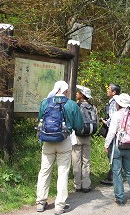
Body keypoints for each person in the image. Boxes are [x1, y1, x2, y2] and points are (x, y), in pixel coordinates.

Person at [36, 81, 84, 215]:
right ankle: (59, 205)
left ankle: (41, 202)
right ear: (66, 91)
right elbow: (79, 126)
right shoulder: (72, 104)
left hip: (47, 141)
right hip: (64, 140)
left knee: (44, 170)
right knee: (63, 173)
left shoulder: (45, 102)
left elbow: (40, 119)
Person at [104, 93, 130, 206]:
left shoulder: (117, 115)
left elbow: (112, 132)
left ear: (119, 104)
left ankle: (120, 198)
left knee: (117, 172)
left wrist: (106, 145)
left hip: (118, 146)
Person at [72, 85, 96, 193]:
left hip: (77, 137)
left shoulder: (76, 106)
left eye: (78, 93)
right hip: (88, 136)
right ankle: (86, 184)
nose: (76, 94)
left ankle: (77, 185)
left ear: (82, 95)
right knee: (86, 161)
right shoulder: (93, 107)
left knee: (76, 160)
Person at [99, 83, 121, 185]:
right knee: (117, 153)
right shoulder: (121, 101)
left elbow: (112, 120)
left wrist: (103, 121)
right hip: (121, 133)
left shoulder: (113, 103)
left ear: (114, 92)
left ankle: (113, 177)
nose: (107, 90)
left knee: (112, 154)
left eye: (109, 89)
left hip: (114, 133)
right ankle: (115, 174)